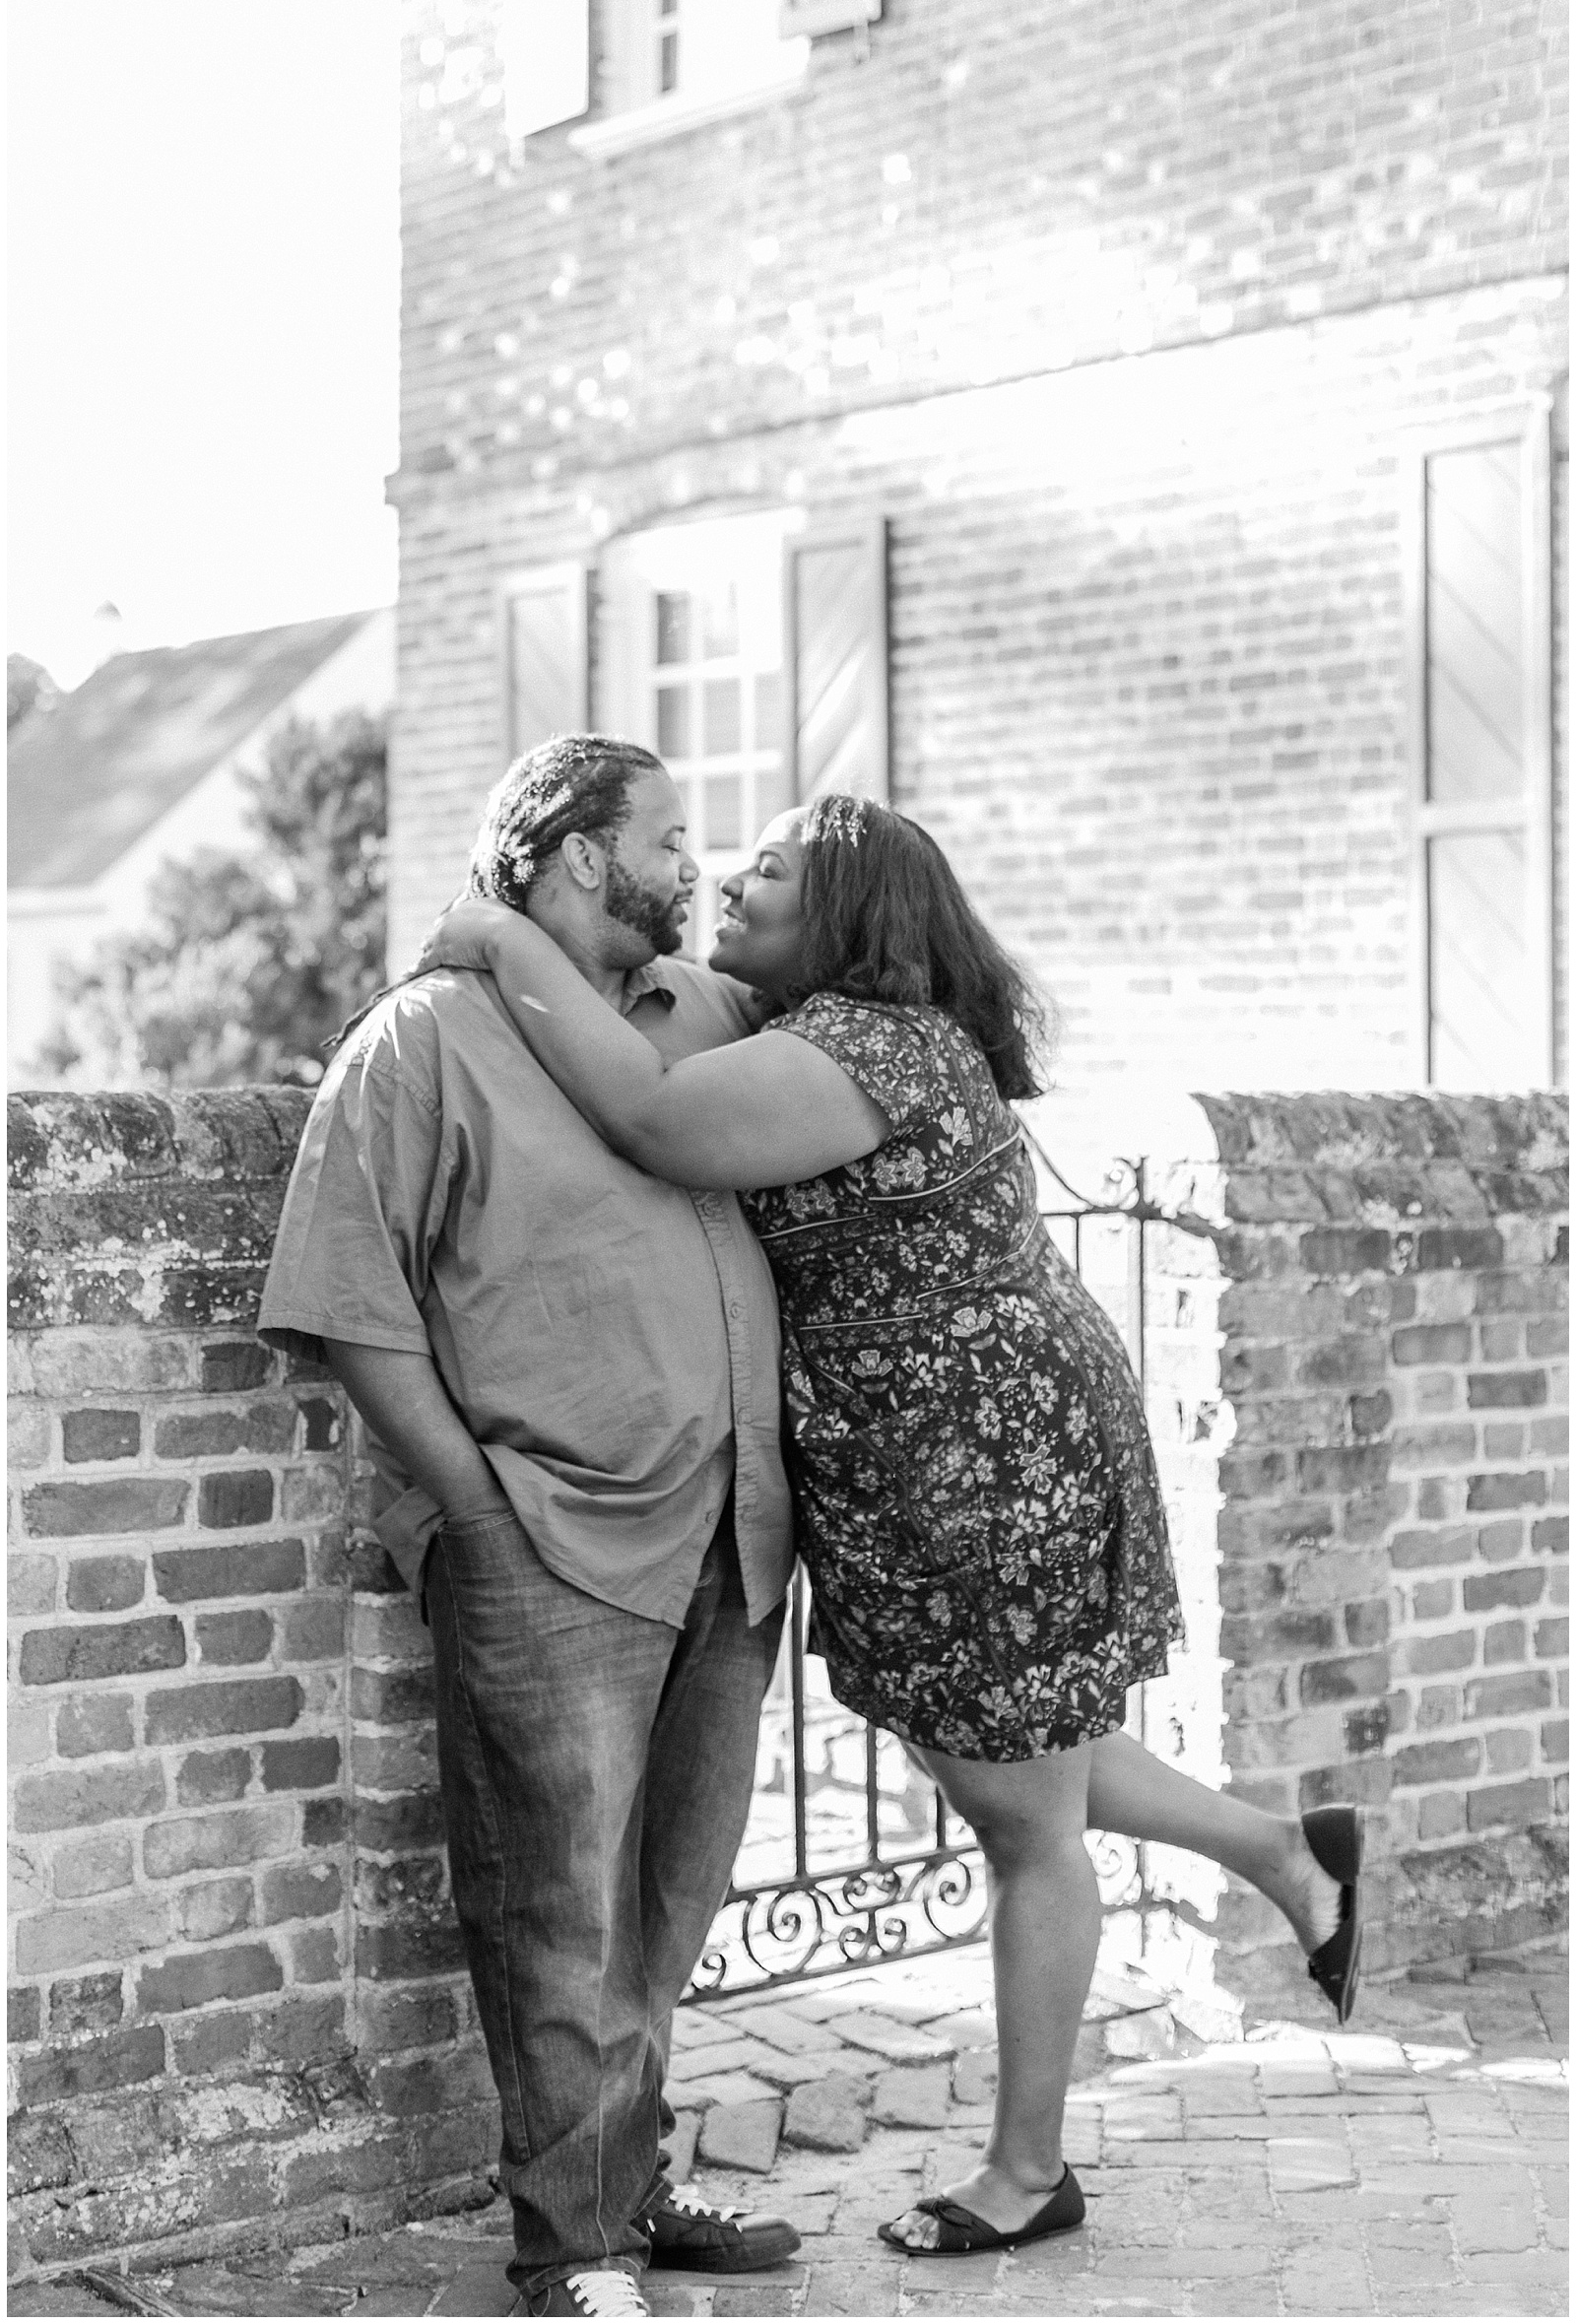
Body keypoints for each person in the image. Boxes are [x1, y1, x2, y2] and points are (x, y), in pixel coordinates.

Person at [417, 789, 1369, 2261]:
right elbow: (654, 1025)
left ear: (847, 915)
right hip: (918, 1459)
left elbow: (653, 1114)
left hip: (984, 1454)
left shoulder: (871, 1047)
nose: (730, 876)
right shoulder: (798, 1023)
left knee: (1022, 1815)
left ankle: (1027, 2168)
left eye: (772, 871)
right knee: (1019, 1751)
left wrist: (490, 932)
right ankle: (1287, 1854)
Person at [257, 736, 806, 2319]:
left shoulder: (697, 1020)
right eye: (669, 836)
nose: (693, 866)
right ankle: (575, 2246)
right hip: (551, 1535)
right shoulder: (422, 1039)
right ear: (576, 854)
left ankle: (632, 2183)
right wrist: (481, 1503)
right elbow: (351, 1303)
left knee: (671, 1892)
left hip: (735, 1534)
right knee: (556, 1900)